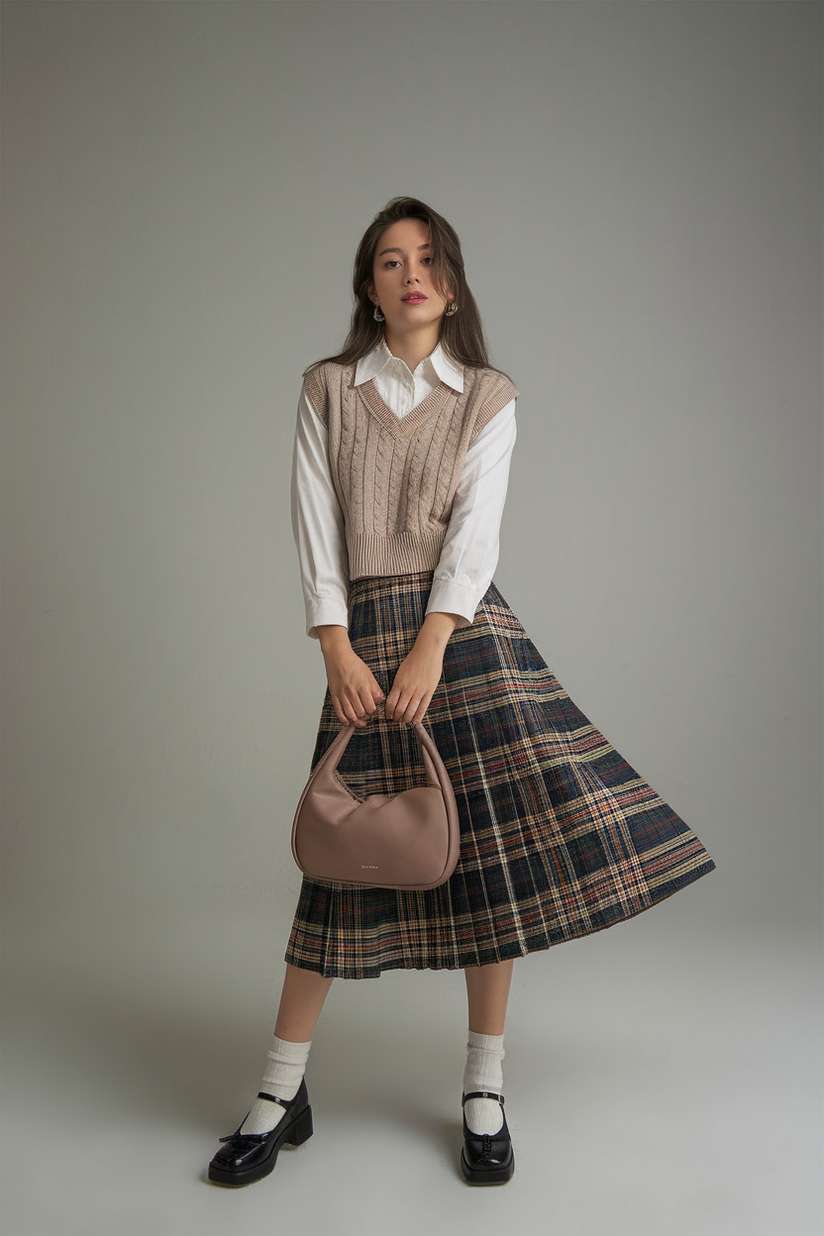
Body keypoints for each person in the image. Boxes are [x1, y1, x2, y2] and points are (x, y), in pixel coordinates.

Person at [207, 196, 716, 1189]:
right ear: (368, 286)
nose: (411, 274)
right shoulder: (324, 390)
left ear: (451, 277)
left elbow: (474, 537)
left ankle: (483, 1088)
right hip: (363, 643)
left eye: (428, 257)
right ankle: (279, 1088)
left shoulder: (487, 395)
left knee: (490, 872)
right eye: (390, 261)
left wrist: (431, 648)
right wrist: (337, 651)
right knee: (337, 867)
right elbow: (314, 530)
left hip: (463, 640)